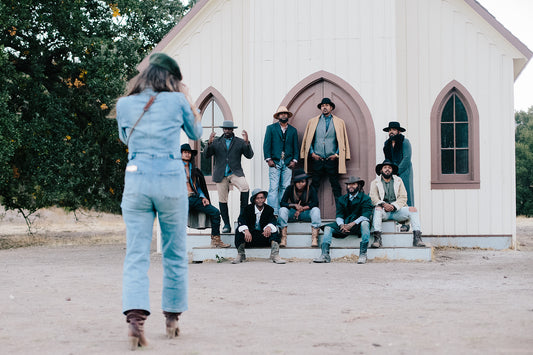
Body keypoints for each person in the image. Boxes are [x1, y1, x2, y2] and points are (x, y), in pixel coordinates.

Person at [116, 52, 202, 350]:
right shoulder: (177, 101)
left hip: (137, 179)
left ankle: (136, 320)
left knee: (136, 254)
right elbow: (196, 134)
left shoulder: (124, 105)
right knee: (174, 252)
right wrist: (187, 102)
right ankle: (172, 319)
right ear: (171, 79)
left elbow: (125, 139)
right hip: (169, 178)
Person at [203, 120, 254, 233]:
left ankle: (242, 216)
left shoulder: (239, 142)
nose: (227, 131)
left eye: (229, 129)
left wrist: (247, 143)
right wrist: (209, 143)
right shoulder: (216, 142)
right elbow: (206, 155)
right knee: (222, 199)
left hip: (235, 172)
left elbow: (249, 155)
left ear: (232, 130)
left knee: (245, 187)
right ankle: (226, 224)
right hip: (220, 175)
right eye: (225, 129)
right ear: (223, 129)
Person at [313, 176, 373, 264]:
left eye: (353, 184)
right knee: (327, 228)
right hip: (344, 225)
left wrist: (352, 224)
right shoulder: (342, 199)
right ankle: (325, 255)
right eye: (349, 185)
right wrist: (342, 225)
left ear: (359, 186)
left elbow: (366, 215)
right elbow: (339, 215)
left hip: (357, 225)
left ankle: (363, 254)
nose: (351, 186)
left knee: (365, 223)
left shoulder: (365, 198)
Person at [300, 97, 350, 200]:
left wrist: (336, 155)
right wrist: (312, 153)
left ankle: (340, 213)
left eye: (327, 105)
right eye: (322, 106)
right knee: (314, 185)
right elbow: (309, 140)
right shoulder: (313, 121)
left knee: (336, 186)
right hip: (317, 159)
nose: (324, 107)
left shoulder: (339, 122)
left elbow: (342, 140)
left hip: (332, 160)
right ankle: (312, 209)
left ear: (331, 107)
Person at [181, 143, 229, 248]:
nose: (187, 154)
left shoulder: (194, 170)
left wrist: (203, 197)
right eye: (185, 152)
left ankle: (216, 240)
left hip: (194, 198)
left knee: (215, 213)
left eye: (189, 153)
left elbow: (198, 186)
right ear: (180, 154)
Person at [369, 159, 426, 248]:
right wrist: (384, 204)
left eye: (389, 168)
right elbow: (373, 198)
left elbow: (403, 197)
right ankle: (377, 239)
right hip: (383, 212)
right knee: (377, 209)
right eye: (385, 167)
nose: (387, 169)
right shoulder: (375, 182)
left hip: (396, 211)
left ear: (392, 170)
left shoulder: (398, 181)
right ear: (381, 170)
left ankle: (417, 239)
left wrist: (394, 206)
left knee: (413, 209)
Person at [232, 189, 286, 264]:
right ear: (254, 200)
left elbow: (273, 220)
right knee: (239, 230)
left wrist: (269, 227)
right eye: (257, 198)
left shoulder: (269, 209)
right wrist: (246, 230)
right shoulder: (247, 209)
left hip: (264, 237)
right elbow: (241, 219)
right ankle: (241, 254)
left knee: (274, 230)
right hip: (249, 238)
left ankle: (275, 255)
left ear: (264, 199)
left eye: (261, 198)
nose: (260, 200)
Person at [263, 106, 299, 216]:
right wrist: (268, 159)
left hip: (288, 162)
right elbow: (266, 144)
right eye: (281, 113)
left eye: (285, 113)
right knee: (273, 187)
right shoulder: (271, 128)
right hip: (275, 161)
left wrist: (294, 160)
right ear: (278, 116)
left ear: (288, 115)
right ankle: (273, 212)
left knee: (285, 186)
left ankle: (282, 210)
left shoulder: (293, 130)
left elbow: (296, 147)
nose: (283, 115)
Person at [278, 169, 321, 247]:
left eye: (302, 182)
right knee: (282, 210)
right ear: (295, 182)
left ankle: (314, 238)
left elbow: (315, 203)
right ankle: (283, 238)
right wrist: (294, 205)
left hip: (305, 213)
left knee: (316, 210)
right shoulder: (289, 189)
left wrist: (303, 208)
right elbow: (282, 203)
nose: (300, 184)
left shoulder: (310, 188)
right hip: (293, 213)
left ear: (306, 181)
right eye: (298, 182)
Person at [383, 121, 415, 208]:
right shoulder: (387, 144)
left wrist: (396, 171)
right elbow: (387, 159)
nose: (391, 132)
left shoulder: (405, 142)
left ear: (399, 131)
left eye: (393, 130)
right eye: (389, 130)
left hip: (404, 172)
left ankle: (409, 215)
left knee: (406, 193)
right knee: (393, 194)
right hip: (392, 173)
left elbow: (406, 159)